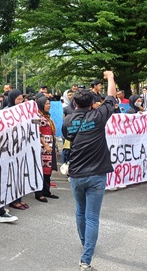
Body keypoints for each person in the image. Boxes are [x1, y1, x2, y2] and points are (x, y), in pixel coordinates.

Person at [62, 71, 116, 271]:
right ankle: (86, 260)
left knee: (80, 211)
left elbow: (69, 137)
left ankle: (86, 243)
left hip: (76, 174)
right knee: (92, 216)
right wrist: (110, 77)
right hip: (96, 175)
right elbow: (111, 97)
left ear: (74, 104)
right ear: (92, 102)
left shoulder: (67, 121)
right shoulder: (99, 115)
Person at [7, 89, 29, 210]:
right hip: (10, 149)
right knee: (13, 175)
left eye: (22, 99)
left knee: (20, 174)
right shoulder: (6, 112)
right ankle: (13, 200)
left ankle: (19, 199)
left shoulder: (23, 112)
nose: (21, 102)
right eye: (18, 99)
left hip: (21, 147)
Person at [35, 96, 59, 202]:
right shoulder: (37, 116)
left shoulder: (47, 116)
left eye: (49, 104)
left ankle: (46, 190)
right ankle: (39, 193)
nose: (48, 106)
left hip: (50, 146)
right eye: (46, 104)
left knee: (48, 170)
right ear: (41, 104)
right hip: (43, 147)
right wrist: (45, 145)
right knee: (41, 170)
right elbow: (37, 133)